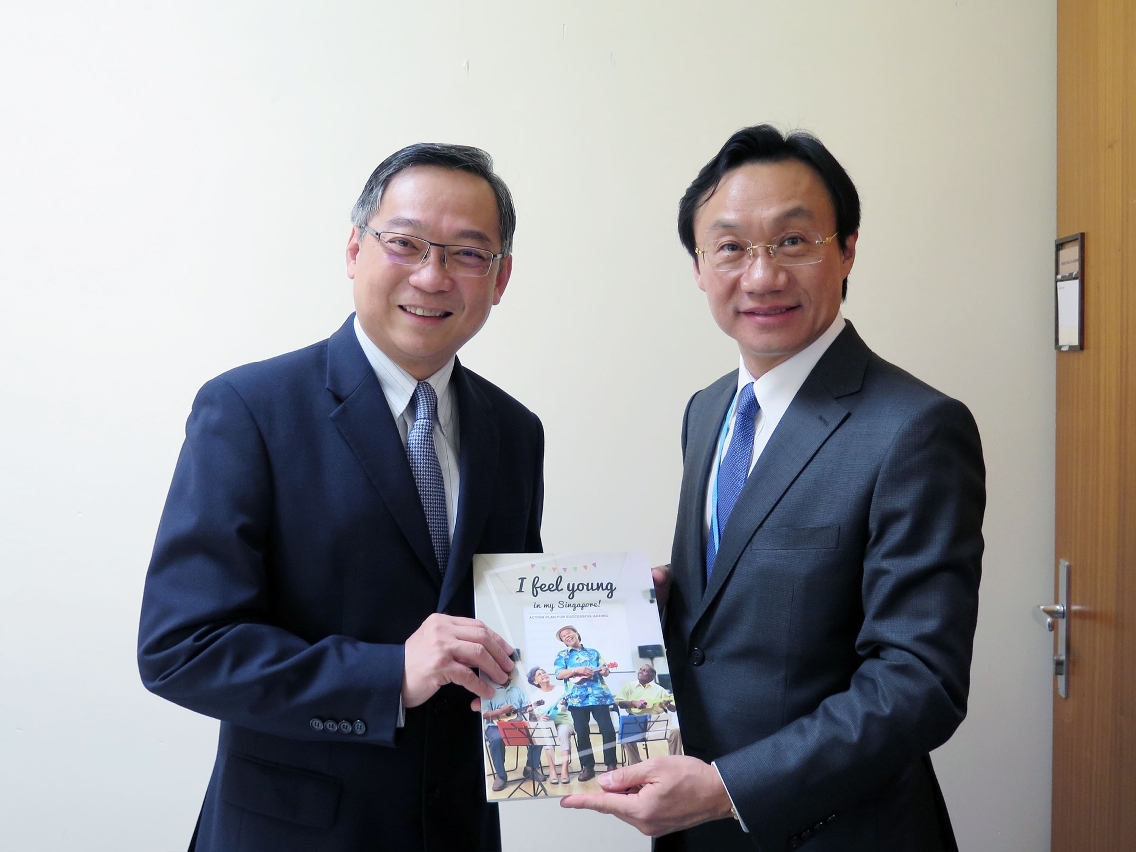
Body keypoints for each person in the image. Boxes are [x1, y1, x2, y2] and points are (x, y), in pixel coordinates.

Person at [562, 125, 985, 852]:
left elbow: (919, 683)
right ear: (698, 266)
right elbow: (731, 612)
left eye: (794, 242)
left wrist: (731, 789)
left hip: (836, 831)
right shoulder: (708, 410)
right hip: (698, 828)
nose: (761, 277)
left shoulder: (916, 428)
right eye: (730, 247)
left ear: (847, 248)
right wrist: (654, 611)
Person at [137, 143, 544, 852]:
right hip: (291, 834)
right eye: (407, 243)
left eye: (468, 254)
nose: (432, 275)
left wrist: (612, 609)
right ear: (355, 249)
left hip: (458, 832)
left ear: (501, 277)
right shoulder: (248, 409)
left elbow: (502, 627)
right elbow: (182, 648)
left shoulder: (514, 431)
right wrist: (388, 675)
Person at [553, 625, 618, 781]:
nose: (566, 636)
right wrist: (577, 670)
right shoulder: (562, 655)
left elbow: (605, 671)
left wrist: (604, 670)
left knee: (608, 730)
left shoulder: (593, 652)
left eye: (569, 632)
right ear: (563, 641)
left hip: (598, 697)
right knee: (582, 734)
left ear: (577, 634)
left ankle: (611, 765)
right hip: (576, 699)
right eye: (563, 636)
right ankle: (588, 767)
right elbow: (559, 674)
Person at [483, 670, 545, 792]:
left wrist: (530, 708)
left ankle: (530, 768)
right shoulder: (488, 691)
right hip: (495, 726)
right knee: (496, 740)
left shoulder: (516, 689)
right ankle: (501, 776)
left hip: (517, 725)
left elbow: (525, 707)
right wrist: (501, 711)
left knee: (538, 735)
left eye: (507, 673)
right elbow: (485, 714)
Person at [613, 664, 681, 764]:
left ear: (652, 677)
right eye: (640, 669)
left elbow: (674, 708)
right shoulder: (629, 686)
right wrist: (633, 703)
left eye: (645, 671)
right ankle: (635, 764)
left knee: (675, 731)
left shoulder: (660, 690)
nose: (640, 671)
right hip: (635, 720)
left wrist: (668, 705)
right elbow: (620, 703)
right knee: (625, 733)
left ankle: (676, 762)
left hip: (656, 721)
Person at [526, 666, 575, 784]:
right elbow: (533, 717)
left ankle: (564, 770)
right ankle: (552, 770)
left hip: (564, 721)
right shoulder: (535, 696)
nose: (543, 674)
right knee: (546, 733)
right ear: (535, 681)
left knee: (563, 732)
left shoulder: (562, 690)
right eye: (539, 674)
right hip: (547, 724)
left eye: (544, 671)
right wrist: (539, 717)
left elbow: (573, 704)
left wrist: (566, 703)